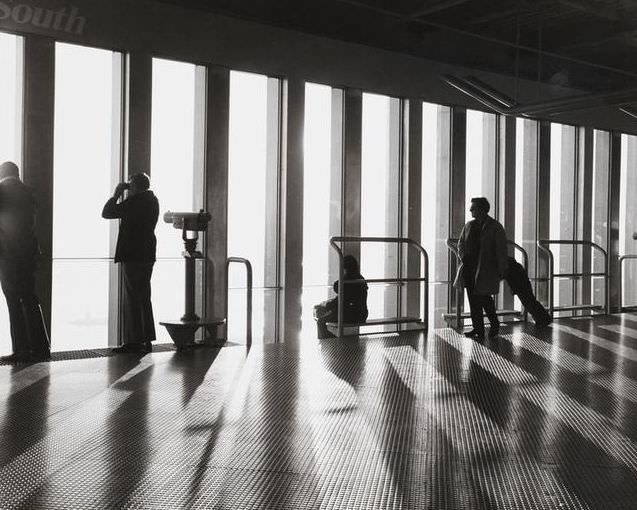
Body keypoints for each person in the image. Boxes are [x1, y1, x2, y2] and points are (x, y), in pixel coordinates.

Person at [102, 173, 159, 354]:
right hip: (147, 254)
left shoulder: (136, 202)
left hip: (133, 255)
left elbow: (107, 212)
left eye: (131, 185)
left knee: (133, 298)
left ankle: (134, 342)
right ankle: (147, 339)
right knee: (143, 296)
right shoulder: (152, 200)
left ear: (135, 186)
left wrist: (117, 193)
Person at [0, 161, 50, 363]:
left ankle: (21, 349)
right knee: (30, 299)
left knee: (13, 302)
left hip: (8, 256)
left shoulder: (2, 190)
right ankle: (40, 347)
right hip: (27, 255)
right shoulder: (29, 193)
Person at [454, 197, 507, 340]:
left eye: (474, 208)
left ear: (482, 209)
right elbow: (461, 244)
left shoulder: (495, 227)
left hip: (485, 269)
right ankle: (478, 328)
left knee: (485, 298)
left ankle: (494, 323)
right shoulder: (469, 225)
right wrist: (463, 257)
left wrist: (501, 269)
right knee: (473, 300)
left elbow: (501, 249)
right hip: (470, 268)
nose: (471, 210)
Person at [314, 254, 368, 339]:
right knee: (326, 315)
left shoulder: (348, 280)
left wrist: (326, 305)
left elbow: (342, 300)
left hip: (352, 315)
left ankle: (331, 342)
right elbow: (344, 299)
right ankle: (333, 341)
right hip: (360, 314)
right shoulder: (359, 278)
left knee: (321, 321)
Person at [504, 256, 552, 327]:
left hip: (520, 287)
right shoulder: (517, 266)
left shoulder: (511, 268)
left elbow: (511, 280)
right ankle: (543, 318)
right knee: (531, 302)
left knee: (529, 303)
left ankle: (542, 319)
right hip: (524, 286)